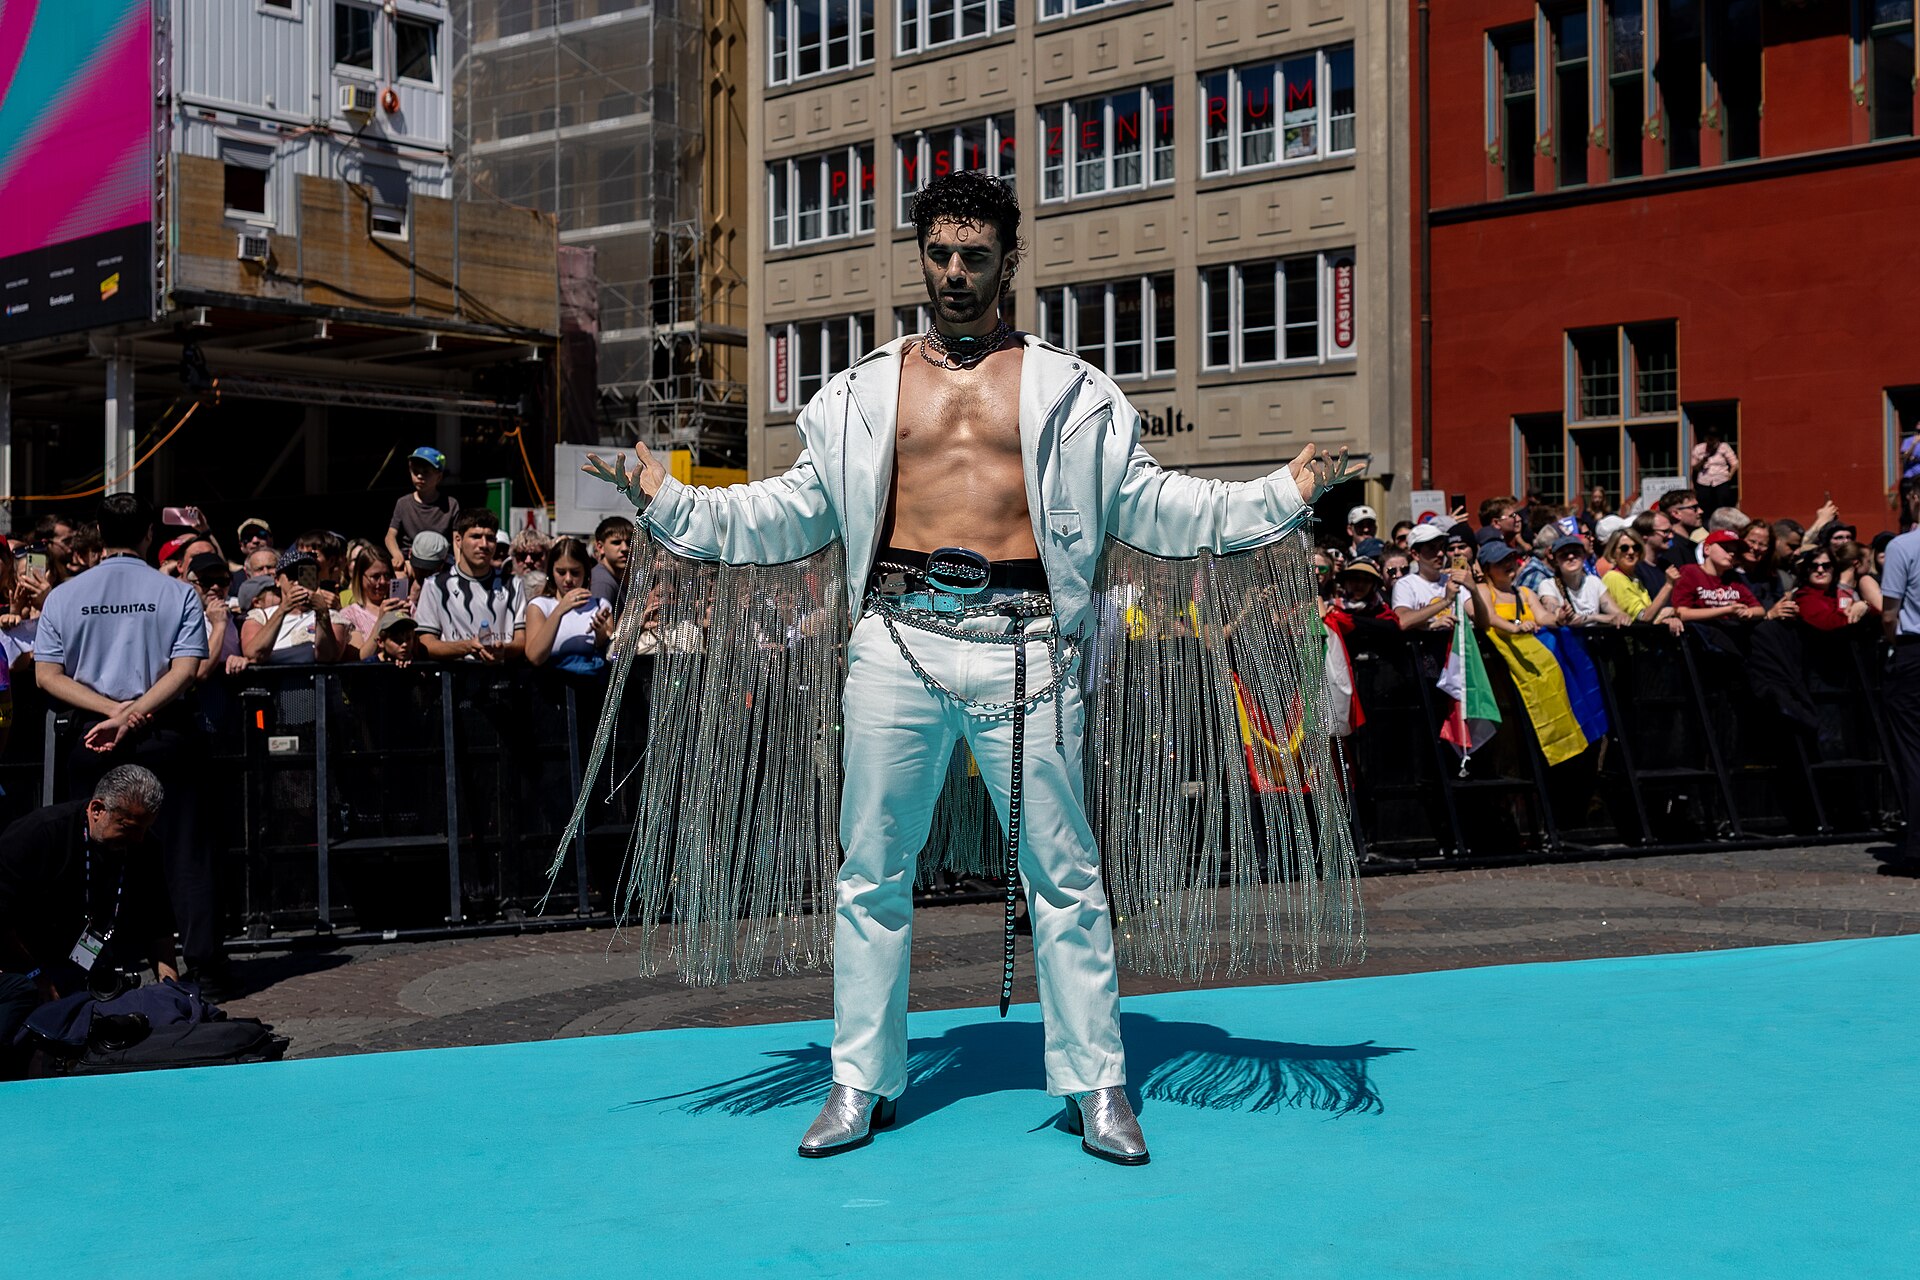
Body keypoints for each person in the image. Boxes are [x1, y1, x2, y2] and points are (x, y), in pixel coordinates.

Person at [572, 169, 1364, 1166]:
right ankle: (861, 1077)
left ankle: (1099, 1079)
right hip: (895, 638)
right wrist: (668, 498)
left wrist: (1281, 493)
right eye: (940, 253)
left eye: (974, 256)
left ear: (1007, 261)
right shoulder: (861, 392)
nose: (954, 273)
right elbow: (785, 512)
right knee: (870, 873)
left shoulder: (1072, 392)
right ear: (921, 256)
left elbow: (1163, 508)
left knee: (1065, 876)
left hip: (1025, 641)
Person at [34, 495, 224, 996]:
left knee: (93, 858)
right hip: (162, 734)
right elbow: (184, 671)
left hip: (94, 737)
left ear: (98, 532)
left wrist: (109, 712)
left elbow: (47, 676)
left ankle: (94, 965)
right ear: (148, 536)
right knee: (185, 852)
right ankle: (200, 967)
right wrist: (133, 714)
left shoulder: (64, 595)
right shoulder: (175, 593)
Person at [0, 766, 176, 1076]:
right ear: (97, 810)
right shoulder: (36, 835)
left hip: (83, 956)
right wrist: (38, 976)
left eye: (145, 829)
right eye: (128, 826)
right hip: (19, 959)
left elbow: (158, 922)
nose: (136, 839)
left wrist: (170, 984)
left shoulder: (144, 846)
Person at [413, 509, 526, 661]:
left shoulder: (514, 584)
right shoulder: (435, 585)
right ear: (458, 540)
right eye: (476, 536)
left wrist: (502, 650)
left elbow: (521, 641)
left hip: (503, 680)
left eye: (490, 538)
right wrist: (467, 646)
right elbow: (426, 643)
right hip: (455, 680)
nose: (484, 544)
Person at [1878, 481, 1920, 864]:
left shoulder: (1902, 546)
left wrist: (1892, 641)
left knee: (1913, 752)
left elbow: (1890, 611)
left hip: (1913, 653)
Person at [242, 549, 350, 665]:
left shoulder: (332, 616)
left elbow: (327, 657)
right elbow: (253, 655)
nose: (299, 581)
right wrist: (282, 610)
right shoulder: (261, 617)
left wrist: (321, 613)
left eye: (307, 574)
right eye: (292, 574)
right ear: (277, 580)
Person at [524, 538, 615, 671]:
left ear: (585, 572)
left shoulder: (600, 605)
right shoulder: (539, 606)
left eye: (575, 572)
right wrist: (560, 610)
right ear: (551, 572)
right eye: (561, 572)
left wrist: (600, 632)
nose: (568, 579)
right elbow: (535, 657)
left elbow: (614, 656)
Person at [1673, 529, 1794, 623]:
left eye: (1735, 551)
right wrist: (1726, 610)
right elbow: (1682, 613)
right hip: (1703, 638)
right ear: (1707, 549)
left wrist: (1748, 612)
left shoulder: (1733, 578)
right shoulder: (1690, 572)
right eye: (1726, 548)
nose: (1731, 553)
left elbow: (1759, 610)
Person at [385, 446, 460, 574]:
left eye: (426, 472)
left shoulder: (451, 504)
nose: (420, 476)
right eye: (415, 471)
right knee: (399, 576)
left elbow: (456, 539)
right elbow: (390, 536)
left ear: (439, 476)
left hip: (440, 560)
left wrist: (459, 565)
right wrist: (397, 554)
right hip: (410, 559)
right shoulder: (403, 503)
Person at [339, 542, 413, 664]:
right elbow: (361, 658)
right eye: (375, 576)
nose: (383, 582)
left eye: (387, 575)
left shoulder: (406, 605)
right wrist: (380, 620)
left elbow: (418, 650)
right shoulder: (349, 615)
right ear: (360, 577)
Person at [1537, 535, 1629, 627]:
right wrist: (1596, 617)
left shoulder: (1593, 581)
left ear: (1584, 556)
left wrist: (1620, 617)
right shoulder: (1548, 585)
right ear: (1556, 561)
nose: (1571, 556)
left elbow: (1618, 614)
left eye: (1576, 552)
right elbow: (1556, 613)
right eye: (1564, 555)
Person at [1599, 531, 1681, 632]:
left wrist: (1666, 617)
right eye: (1624, 548)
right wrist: (1668, 585)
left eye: (1636, 548)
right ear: (1613, 552)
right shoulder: (1615, 578)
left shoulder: (1633, 577)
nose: (1631, 552)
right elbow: (1644, 617)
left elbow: (1650, 614)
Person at [1391, 524, 1467, 630]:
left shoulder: (1453, 579)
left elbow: (1478, 618)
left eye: (1441, 547)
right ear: (1415, 555)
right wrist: (1445, 601)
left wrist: (1474, 589)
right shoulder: (1406, 584)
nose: (1440, 553)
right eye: (1432, 548)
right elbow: (1402, 621)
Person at [1790, 550, 1871, 631]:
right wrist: (1855, 614)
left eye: (1826, 566)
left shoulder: (1839, 592)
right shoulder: (1804, 596)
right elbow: (1827, 623)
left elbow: (1875, 611)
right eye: (1813, 566)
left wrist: (1865, 605)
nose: (1820, 570)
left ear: (1834, 569)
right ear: (1807, 570)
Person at [1689, 425, 1739, 517]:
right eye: (1708, 438)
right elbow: (1694, 467)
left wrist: (1729, 476)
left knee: (1722, 505)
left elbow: (1735, 464)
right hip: (1704, 481)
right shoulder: (1699, 448)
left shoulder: (1724, 447)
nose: (1710, 441)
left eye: (1713, 438)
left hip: (1721, 480)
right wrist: (1703, 460)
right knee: (1705, 505)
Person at [591, 515, 635, 612]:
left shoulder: (613, 577)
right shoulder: (602, 582)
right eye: (616, 542)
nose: (624, 548)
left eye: (629, 542)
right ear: (600, 547)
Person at [1658, 489, 1704, 568]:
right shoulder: (1672, 548)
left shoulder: (1689, 545)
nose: (1700, 511)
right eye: (1694, 508)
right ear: (1676, 513)